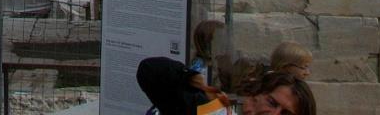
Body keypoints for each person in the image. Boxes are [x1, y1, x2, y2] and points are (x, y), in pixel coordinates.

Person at [135, 57, 315, 115]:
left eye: (285, 114)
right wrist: (190, 77)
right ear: (256, 94)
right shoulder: (212, 110)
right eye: (272, 103)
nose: (274, 114)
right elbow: (149, 70)